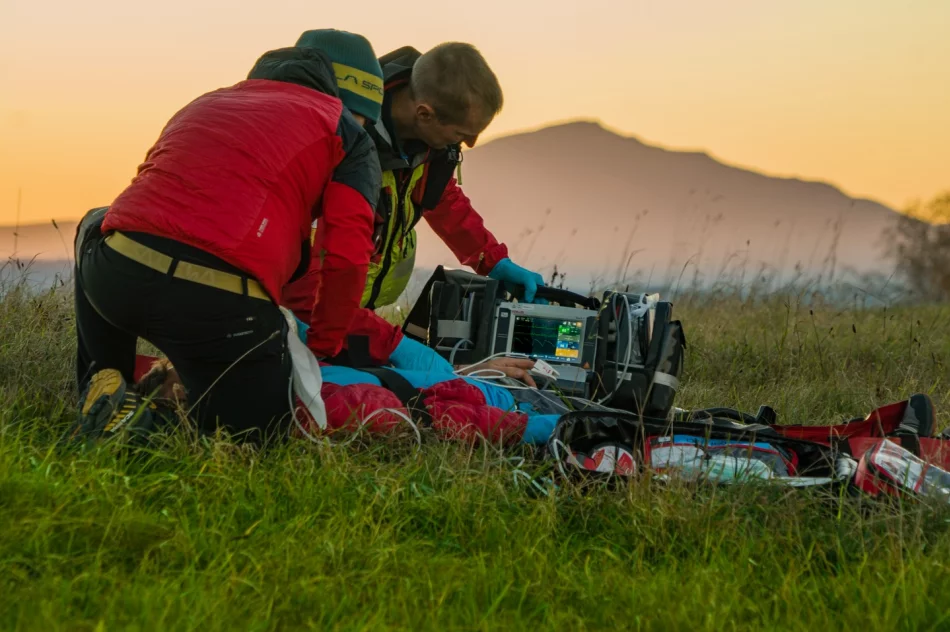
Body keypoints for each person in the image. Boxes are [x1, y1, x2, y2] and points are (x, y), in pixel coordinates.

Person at [68, 31, 385, 445]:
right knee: (260, 436)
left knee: (97, 221)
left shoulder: (207, 101)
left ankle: (106, 375)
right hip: (219, 305)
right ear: (344, 101)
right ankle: (148, 429)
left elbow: (145, 196)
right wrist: (323, 344)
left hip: (114, 275)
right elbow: (347, 255)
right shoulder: (346, 133)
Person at [282, 38, 547, 371]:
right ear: (425, 113)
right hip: (308, 319)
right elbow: (313, 280)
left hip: (356, 316)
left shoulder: (427, 140)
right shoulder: (346, 146)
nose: (470, 143)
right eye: (462, 134)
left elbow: (441, 198)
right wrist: (387, 345)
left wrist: (491, 260)